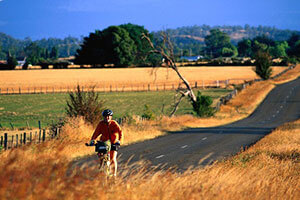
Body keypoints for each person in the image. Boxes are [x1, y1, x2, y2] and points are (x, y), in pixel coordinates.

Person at [89, 109, 123, 177]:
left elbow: (120, 132)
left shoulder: (114, 123)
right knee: (102, 158)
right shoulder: (101, 124)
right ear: (103, 117)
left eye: (108, 116)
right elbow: (96, 133)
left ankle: (114, 175)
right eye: (105, 116)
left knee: (113, 158)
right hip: (104, 143)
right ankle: (102, 171)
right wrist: (92, 140)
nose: (107, 118)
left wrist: (119, 141)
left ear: (111, 117)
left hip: (113, 143)